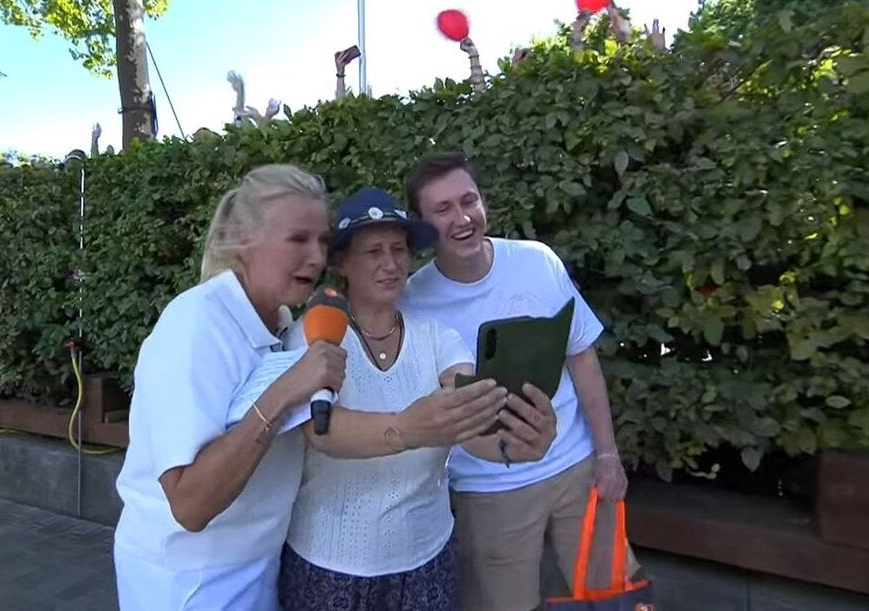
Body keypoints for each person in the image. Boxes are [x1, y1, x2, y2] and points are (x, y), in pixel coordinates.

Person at [278, 187, 558, 611]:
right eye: (373, 251)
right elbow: (320, 430)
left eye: (399, 249)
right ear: (342, 263)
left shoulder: (437, 338)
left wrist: (513, 443)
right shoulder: (312, 333)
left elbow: (468, 420)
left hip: (427, 559)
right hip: (328, 564)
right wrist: (408, 428)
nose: (390, 264)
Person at [401, 153, 641, 611]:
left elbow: (583, 359)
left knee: (618, 601)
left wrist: (608, 454)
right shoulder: (412, 301)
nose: (463, 217)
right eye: (443, 209)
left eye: (468, 200)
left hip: (577, 470)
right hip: (488, 492)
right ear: (421, 224)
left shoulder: (537, 261)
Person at [113, 164, 348, 610]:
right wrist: (282, 392)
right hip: (190, 582)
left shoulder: (283, 323)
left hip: (258, 565)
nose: (318, 257)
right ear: (244, 239)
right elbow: (190, 504)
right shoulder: (195, 325)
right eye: (298, 239)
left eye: (323, 240)